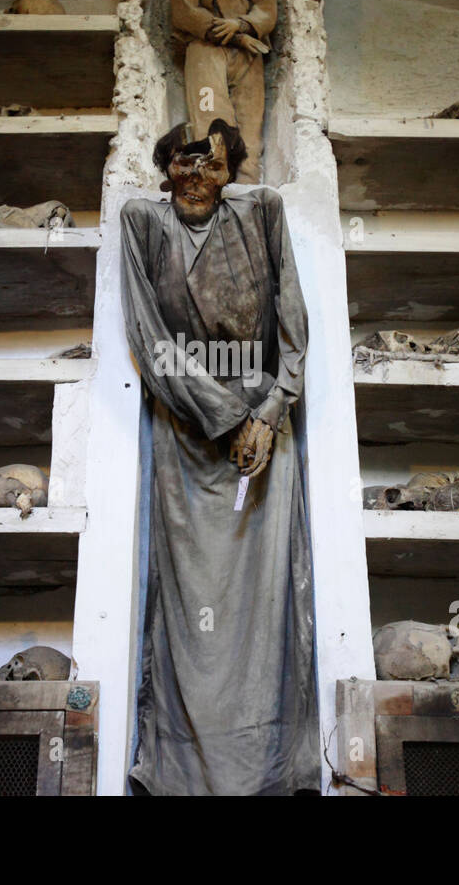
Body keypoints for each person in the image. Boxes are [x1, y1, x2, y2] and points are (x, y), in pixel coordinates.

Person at [120, 118, 318, 795]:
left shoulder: (262, 211)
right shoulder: (141, 223)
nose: (196, 178)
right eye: (182, 165)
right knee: (186, 601)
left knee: (269, 600)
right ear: (165, 168)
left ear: (230, 169)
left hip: (265, 429)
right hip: (185, 429)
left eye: (210, 165)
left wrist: (266, 413)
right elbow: (151, 341)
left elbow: (294, 328)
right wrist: (226, 416)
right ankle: (179, 775)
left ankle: (271, 774)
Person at [171, 0, 277, 183]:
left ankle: (247, 186)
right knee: (210, 114)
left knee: (250, 119)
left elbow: (267, 9)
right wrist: (234, 34)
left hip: (248, 54)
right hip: (205, 51)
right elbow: (185, 12)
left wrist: (241, 24)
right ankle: (214, 182)